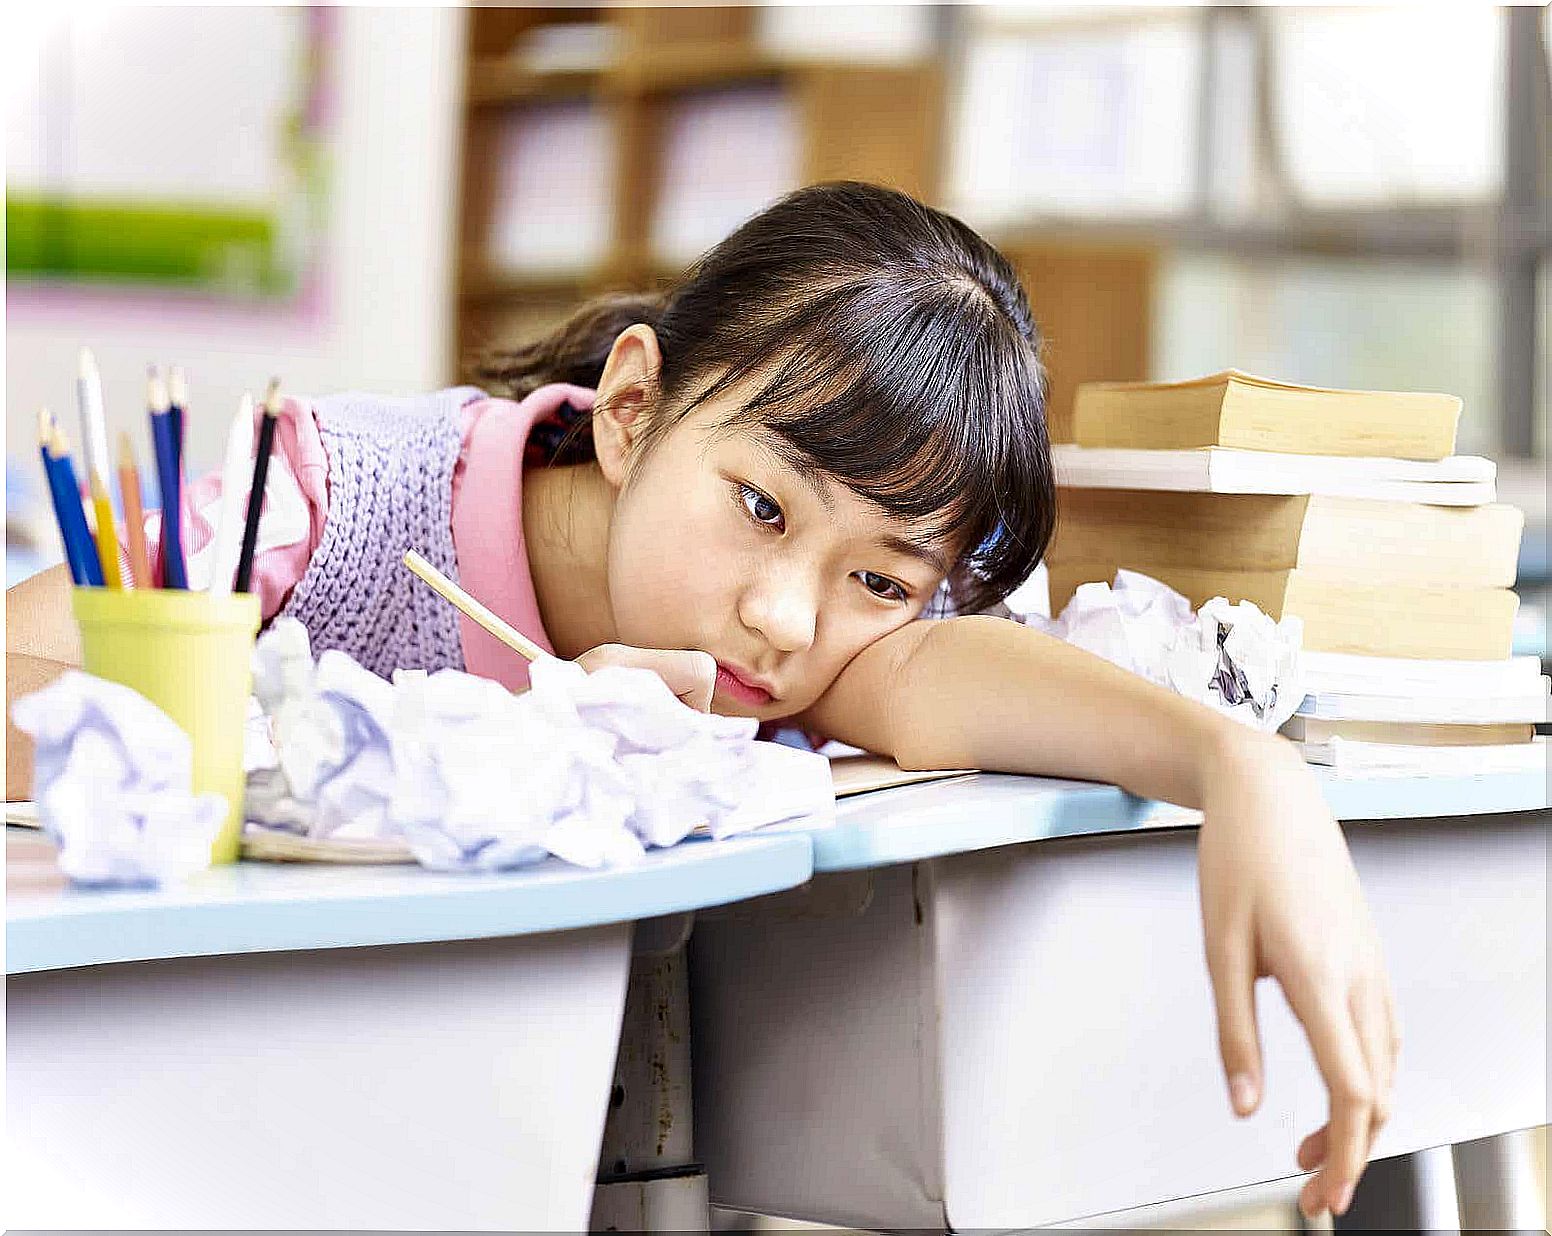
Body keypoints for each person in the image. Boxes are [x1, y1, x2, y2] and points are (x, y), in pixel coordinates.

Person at [5, 181, 1394, 1220]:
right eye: (758, 506)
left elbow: (930, 684)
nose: (786, 619)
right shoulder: (325, 501)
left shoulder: (830, 640)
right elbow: (19, 680)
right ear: (628, 408)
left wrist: (1240, 769)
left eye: (879, 577)